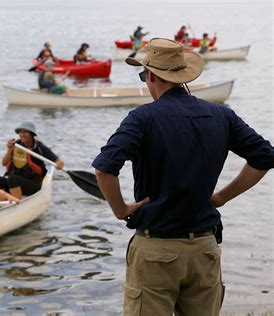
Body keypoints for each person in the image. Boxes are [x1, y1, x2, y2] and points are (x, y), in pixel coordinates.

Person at [92, 38, 273, 315]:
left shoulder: (142, 118)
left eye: (144, 76)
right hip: (205, 249)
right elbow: (265, 157)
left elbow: (105, 169)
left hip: (156, 250)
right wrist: (221, 197)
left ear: (151, 76)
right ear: (182, 74)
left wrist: (121, 210)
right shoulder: (221, 115)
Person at [0, 122, 65, 199]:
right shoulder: (16, 145)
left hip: (33, 184)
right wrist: (9, 150)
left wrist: (59, 164)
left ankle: (17, 203)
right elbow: (4, 163)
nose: (22, 134)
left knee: (12, 179)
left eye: (25, 132)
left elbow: (58, 161)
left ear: (32, 134)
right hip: (15, 182)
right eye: (20, 132)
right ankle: (2, 203)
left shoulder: (39, 147)